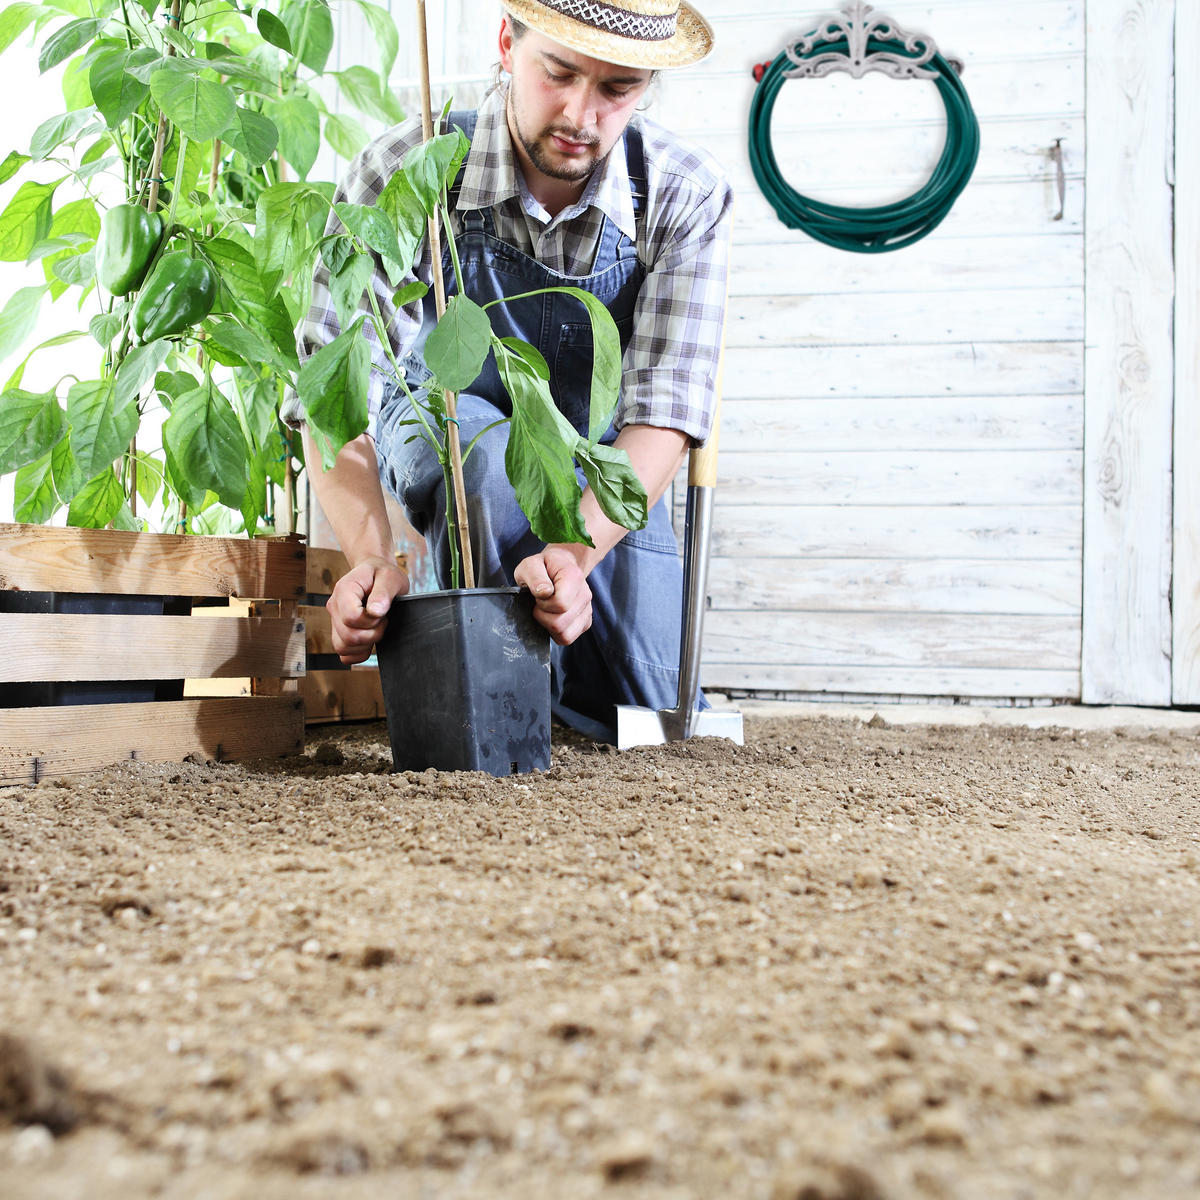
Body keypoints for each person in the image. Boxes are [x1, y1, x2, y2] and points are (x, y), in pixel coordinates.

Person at [290, 0, 732, 741]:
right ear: (506, 44)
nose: (581, 114)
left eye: (616, 90)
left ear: (646, 86)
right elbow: (331, 394)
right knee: (489, 466)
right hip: (446, 428)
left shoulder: (683, 192)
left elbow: (667, 411)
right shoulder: (409, 170)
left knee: (645, 711)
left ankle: (507, 660)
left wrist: (572, 555)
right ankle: (474, 699)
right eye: (558, 73)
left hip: (597, 463)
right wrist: (372, 557)